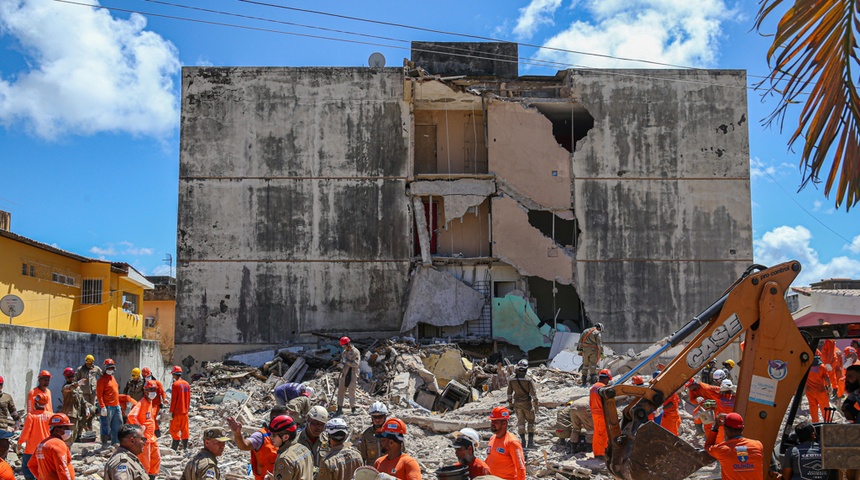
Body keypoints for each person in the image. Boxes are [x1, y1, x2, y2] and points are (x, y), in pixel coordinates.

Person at [227, 405, 289, 480]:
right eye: (285, 418)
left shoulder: (288, 436)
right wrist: (237, 434)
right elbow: (244, 445)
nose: (289, 421)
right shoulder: (261, 436)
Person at [704, 413, 763, 480]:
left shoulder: (722, 449)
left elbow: (708, 445)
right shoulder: (758, 445)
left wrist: (715, 427)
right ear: (743, 428)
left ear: (726, 429)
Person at [128, 380, 161, 480]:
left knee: (156, 458)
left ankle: (152, 477)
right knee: (145, 463)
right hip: (144, 439)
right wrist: (140, 428)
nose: (153, 392)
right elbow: (131, 416)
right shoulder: (141, 403)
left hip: (152, 438)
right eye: (151, 389)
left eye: (154, 389)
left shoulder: (150, 402)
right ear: (145, 391)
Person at [27, 413, 75, 480]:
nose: (69, 431)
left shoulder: (42, 443)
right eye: (66, 428)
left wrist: (41, 477)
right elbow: (62, 469)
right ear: (57, 430)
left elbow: (31, 465)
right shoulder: (58, 444)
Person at [18, 393, 52, 480]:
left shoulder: (31, 415)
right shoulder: (50, 415)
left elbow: (26, 431)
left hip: (31, 448)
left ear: (35, 403)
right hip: (45, 447)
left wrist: (20, 442)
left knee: (26, 466)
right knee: (42, 466)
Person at [485, 406, 525, 480]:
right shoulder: (492, 438)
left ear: (504, 424)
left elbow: (521, 468)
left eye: (495, 421)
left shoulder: (512, 442)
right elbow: (489, 459)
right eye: (492, 421)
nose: (492, 424)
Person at [271, 414, 314, 480]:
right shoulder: (305, 449)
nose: (271, 437)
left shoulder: (285, 459)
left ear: (285, 437)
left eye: (274, 435)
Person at [507, 359, 538, 448]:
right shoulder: (528, 379)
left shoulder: (512, 379)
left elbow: (509, 393)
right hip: (527, 404)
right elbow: (533, 393)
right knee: (531, 421)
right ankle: (530, 442)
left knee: (520, 422)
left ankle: (523, 442)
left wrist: (510, 404)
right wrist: (536, 402)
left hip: (517, 404)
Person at [60, 367, 88, 444]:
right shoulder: (66, 387)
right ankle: (66, 451)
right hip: (69, 414)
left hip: (77, 415)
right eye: (69, 377)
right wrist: (77, 383)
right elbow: (70, 387)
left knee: (74, 434)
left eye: (72, 376)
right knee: (68, 435)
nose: (71, 378)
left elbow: (82, 399)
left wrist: (87, 408)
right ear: (66, 377)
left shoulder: (78, 388)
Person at [97, 358, 122, 445]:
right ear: (105, 369)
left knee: (117, 425)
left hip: (116, 406)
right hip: (107, 406)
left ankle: (115, 442)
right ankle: (104, 443)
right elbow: (99, 395)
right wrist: (102, 407)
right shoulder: (101, 380)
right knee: (105, 426)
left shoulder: (113, 378)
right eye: (108, 368)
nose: (110, 370)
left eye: (111, 368)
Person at [75, 354, 102, 431]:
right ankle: (83, 426)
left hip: (93, 393)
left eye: (90, 363)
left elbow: (102, 376)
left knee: (93, 410)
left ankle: (90, 425)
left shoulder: (96, 369)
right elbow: (76, 380)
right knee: (85, 410)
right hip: (84, 393)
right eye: (88, 363)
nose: (89, 365)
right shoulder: (80, 369)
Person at [590, 369, 612, 459]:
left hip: (595, 413)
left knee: (597, 433)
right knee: (603, 434)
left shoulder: (594, 387)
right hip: (601, 414)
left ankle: (598, 452)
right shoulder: (603, 388)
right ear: (606, 378)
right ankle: (601, 454)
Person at [337, 336, 361, 416]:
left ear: (348, 344)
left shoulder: (355, 352)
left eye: (344, 346)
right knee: (341, 391)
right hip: (344, 374)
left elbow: (356, 364)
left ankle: (353, 409)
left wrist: (346, 361)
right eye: (343, 347)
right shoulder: (344, 352)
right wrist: (341, 364)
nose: (344, 348)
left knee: (351, 391)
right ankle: (339, 409)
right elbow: (342, 361)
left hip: (353, 374)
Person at [653, 371, 682, 436]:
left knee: (671, 436)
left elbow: (672, 403)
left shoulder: (668, 389)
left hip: (671, 418)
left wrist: (662, 408)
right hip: (668, 416)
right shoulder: (665, 387)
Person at [169, 366, 191, 451]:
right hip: (185, 411)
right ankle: (185, 448)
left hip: (177, 411)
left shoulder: (175, 385)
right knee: (185, 430)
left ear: (174, 374)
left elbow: (174, 399)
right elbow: (189, 398)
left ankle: (174, 448)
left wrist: (171, 411)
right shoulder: (187, 384)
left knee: (174, 430)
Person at [140, 368, 166, 437]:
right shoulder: (144, 384)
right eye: (145, 377)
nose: (146, 378)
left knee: (152, 417)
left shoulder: (157, 383)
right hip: (148, 404)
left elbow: (162, 392)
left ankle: (157, 433)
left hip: (156, 404)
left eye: (147, 376)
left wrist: (164, 399)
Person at [806, 356, 831, 423]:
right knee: (825, 407)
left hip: (810, 391)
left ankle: (815, 422)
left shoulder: (807, 367)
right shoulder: (822, 367)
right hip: (821, 391)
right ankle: (827, 421)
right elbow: (826, 378)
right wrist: (829, 386)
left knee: (813, 407)